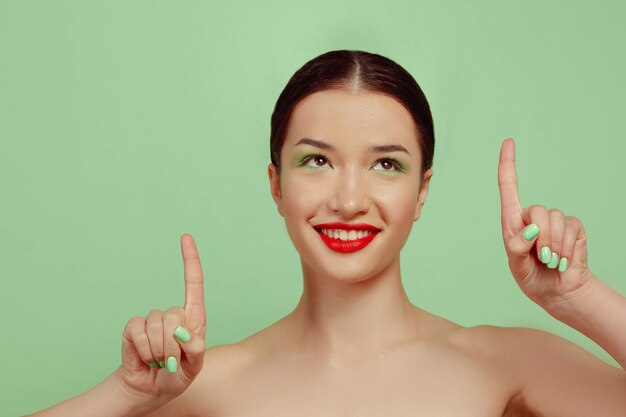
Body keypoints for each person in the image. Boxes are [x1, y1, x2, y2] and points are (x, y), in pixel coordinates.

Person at [27, 49, 626, 417]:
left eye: (386, 164)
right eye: (316, 160)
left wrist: (577, 299)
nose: (347, 200)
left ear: (422, 192)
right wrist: (124, 395)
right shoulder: (204, 385)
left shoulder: (504, 363)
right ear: (275, 183)